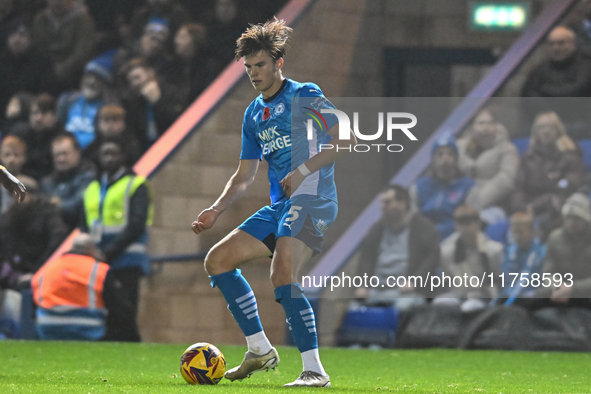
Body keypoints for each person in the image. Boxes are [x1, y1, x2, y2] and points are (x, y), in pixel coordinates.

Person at [191, 20, 354, 387]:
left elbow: (345, 137)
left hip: (314, 198)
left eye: (260, 65)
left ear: (278, 62)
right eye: (248, 67)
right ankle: (260, 349)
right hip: (282, 206)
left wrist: (303, 169)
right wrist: (216, 209)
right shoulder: (252, 114)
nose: (253, 73)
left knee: (283, 273)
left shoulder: (304, 94)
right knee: (218, 260)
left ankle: (315, 370)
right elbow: (244, 175)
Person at [80, 138, 153, 342]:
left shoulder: (135, 184)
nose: (109, 158)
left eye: (114, 153)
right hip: (98, 260)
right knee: (108, 313)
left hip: (126, 259)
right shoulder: (92, 187)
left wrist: (108, 252)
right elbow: (84, 223)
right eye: (105, 154)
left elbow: (136, 225)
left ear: (123, 156)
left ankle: (133, 347)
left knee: (126, 311)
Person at [354, 185, 440, 309]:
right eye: (382, 203)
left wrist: (414, 281)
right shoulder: (377, 229)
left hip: (407, 292)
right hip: (376, 290)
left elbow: (432, 258)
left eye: (388, 202)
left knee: (403, 309)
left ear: (403, 204)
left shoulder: (423, 227)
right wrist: (362, 285)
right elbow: (366, 259)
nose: (382, 207)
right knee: (355, 310)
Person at [510, 111, 585, 241]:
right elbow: (519, 188)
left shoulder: (569, 154)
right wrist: (522, 209)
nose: (546, 131)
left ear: (558, 130)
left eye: (550, 127)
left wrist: (537, 205)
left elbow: (569, 183)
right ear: (535, 132)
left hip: (556, 209)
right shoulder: (528, 158)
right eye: (541, 127)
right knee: (514, 228)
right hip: (529, 209)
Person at [0, 175, 66, 291]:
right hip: (13, 271)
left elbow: (57, 240)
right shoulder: (10, 215)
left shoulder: (47, 213)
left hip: (39, 271)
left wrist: (38, 271)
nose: (13, 200)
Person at [434, 205, 504, 313]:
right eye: (461, 224)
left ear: (478, 224)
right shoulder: (447, 251)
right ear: (456, 226)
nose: (465, 228)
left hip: (484, 295)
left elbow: (499, 279)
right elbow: (447, 278)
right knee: (439, 302)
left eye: (469, 223)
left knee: (470, 307)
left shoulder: (494, 250)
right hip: (458, 294)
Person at [409, 136, 476, 241]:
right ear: (433, 159)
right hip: (424, 238)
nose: (445, 159)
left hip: (455, 239)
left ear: (456, 159)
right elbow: (412, 219)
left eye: (450, 154)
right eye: (440, 154)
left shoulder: (468, 186)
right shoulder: (418, 186)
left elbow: (471, 219)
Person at [534, 193, 591, 307]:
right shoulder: (555, 238)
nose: (572, 222)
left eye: (577, 218)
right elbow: (547, 273)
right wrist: (557, 286)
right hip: (559, 292)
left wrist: (573, 288)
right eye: (569, 217)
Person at [458, 109, 519, 213]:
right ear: (472, 127)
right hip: (458, 201)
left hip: (493, 205)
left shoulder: (507, 149)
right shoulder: (459, 147)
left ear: (496, 126)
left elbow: (506, 180)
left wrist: (475, 204)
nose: (485, 128)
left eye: (490, 123)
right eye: (481, 123)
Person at [31, 0, 96, 91]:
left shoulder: (83, 21)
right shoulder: (40, 20)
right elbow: (37, 45)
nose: (57, 2)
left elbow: (82, 51)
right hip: (44, 70)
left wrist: (60, 69)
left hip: (72, 73)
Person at [57, 51, 118, 149]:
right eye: (89, 76)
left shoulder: (108, 106)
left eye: (97, 78)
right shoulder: (68, 100)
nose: (91, 81)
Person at [118, 58, 183, 149]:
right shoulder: (132, 106)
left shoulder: (171, 93)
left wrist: (157, 102)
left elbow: (177, 124)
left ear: (150, 73)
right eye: (131, 81)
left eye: (137, 77)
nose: (135, 83)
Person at [41, 132, 95, 231]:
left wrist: (56, 205)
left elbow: (79, 206)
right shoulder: (47, 182)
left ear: (77, 153)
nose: (61, 159)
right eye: (57, 155)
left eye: (65, 154)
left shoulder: (89, 177)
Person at [492, 211, 546, 306]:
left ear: (532, 231)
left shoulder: (542, 252)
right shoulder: (511, 251)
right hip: (510, 299)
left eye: (520, 232)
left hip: (533, 301)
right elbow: (506, 282)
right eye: (514, 232)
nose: (517, 237)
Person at [13, 93, 65, 181]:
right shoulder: (20, 135)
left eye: (44, 113)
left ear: (55, 116)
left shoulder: (63, 139)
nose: (38, 118)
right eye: (35, 113)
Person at [0, 135, 27, 212]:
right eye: (7, 155)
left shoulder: (29, 184)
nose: (12, 159)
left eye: (16, 155)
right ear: (1, 156)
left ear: (23, 157)